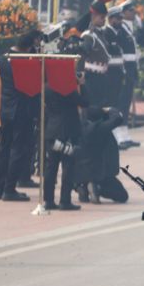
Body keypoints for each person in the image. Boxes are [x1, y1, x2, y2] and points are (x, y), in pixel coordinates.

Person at [0, 29, 43, 202]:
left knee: (4, 148)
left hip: (6, 110)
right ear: (28, 47)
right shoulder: (24, 62)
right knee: (18, 149)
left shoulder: (3, 59)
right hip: (21, 111)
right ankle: (9, 189)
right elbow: (32, 87)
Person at [42, 58, 87, 211]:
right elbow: (85, 102)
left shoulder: (46, 88)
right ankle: (65, 200)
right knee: (68, 166)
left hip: (52, 131)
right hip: (68, 132)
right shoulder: (68, 90)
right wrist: (81, 84)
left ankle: (48, 200)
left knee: (51, 167)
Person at [75, 107, 129, 204]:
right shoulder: (101, 128)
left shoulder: (78, 127)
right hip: (101, 173)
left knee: (79, 173)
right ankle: (97, 188)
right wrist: (110, 110)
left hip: (80, 172)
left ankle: (81, 187)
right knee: (122, 196)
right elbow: (118, 118)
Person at [114, 1, 141, 149]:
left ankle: (125, 135)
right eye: (131, 11)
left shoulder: (129, 28)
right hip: (124, 69)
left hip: (131, 68)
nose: (134, 13)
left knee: (126, 104)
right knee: (121, 103)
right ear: (123, 13)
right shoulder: (119, 29)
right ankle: (119, 136)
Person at [79, 0, 112, 108]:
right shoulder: (89, 36)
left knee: (101, 106)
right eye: (102, 17)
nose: (104, 20)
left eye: (105, 17)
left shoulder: (101, 33)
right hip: (91, 78)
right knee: (93, 108)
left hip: (101, 77)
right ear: (93, 16)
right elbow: (81, 55)